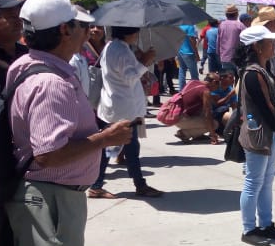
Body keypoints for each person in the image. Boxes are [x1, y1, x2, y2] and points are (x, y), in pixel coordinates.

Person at [5, 0, 134, 246]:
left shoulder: (28, 65)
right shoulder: (50, 83)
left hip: (50, 197)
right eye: (80, 25)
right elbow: (49, 154)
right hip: (52, 199)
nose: (88, 30)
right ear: (64, 30)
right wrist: (105, 137)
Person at [235, 25, 275, 246]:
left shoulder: (261, 70)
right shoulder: (252, 74)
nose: (274, 46)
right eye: (269, 43)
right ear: (258, 47)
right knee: (253, 182)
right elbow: (266, 110)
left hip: (266, 135)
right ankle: (249, 229)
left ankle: (266, 224)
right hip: (259, 136)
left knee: (266, 181)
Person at [88, 26, 164, 199]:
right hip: (122, 107)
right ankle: (99, 185)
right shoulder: (119, 49)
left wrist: (141, 60)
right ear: (130, 33)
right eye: (136, 33)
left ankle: (136, 183)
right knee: (115, 147)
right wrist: (145, 61)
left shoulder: (113, 47)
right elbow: (129, 76)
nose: (137, 37)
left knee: (124, 147)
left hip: (120, 106)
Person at [0, 0, 28, 246]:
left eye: (19, 14)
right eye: (9, 15)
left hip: (24, 150)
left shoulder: (25, 56)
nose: (18, 20)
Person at [172, 73, 221, 144]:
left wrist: (211, 98)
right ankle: (185, 133)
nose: (218, 86)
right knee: (215, 124)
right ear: (213, 82)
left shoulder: (193, 82)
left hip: (175, 114)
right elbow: (208, 115)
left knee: (201, 110)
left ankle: (197, 135)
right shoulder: (205, 92)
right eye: (218, 83)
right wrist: (213, 134)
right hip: (182, 119)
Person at [218, 4, 246, 76]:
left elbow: (218, 41)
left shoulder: (221, 25)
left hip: (225, 57)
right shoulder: (240, 25)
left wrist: (218, 54)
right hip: (238, 58)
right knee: (238, 81)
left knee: (228, 80)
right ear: (236, 14)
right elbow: (246, 41)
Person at [177, 22, 200, 90]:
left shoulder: (179, 26)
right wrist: (196, 53)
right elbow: (192, 40)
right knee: (194, 74)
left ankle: (181, 90)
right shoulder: (190, 26)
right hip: (189, 52)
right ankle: (196, 90)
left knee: (181, 71)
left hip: (180, 51)